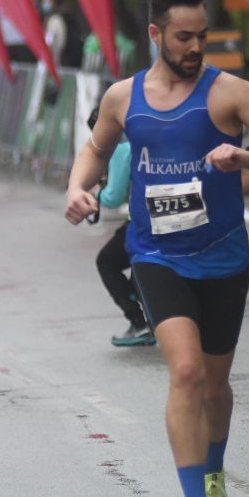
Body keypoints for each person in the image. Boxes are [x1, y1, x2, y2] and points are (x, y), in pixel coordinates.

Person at [65, 0, 249, 497]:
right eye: (184, 37)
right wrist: (77, 188)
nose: (196, 46)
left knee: (217, 384)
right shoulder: (124, 98)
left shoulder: (229, 94)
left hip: (224, 256)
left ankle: (215, 470)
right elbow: (95, 151)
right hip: (155, 254)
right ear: (156, 36)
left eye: (202, 35)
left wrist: (247, 156)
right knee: (185, 374)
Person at [87, 109, 155, 347]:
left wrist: (96, 194)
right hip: (171, 210)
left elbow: (114, 197)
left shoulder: (120, 147)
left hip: (144, 220)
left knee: (107, 261)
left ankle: (139, 321)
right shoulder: (146, 134)